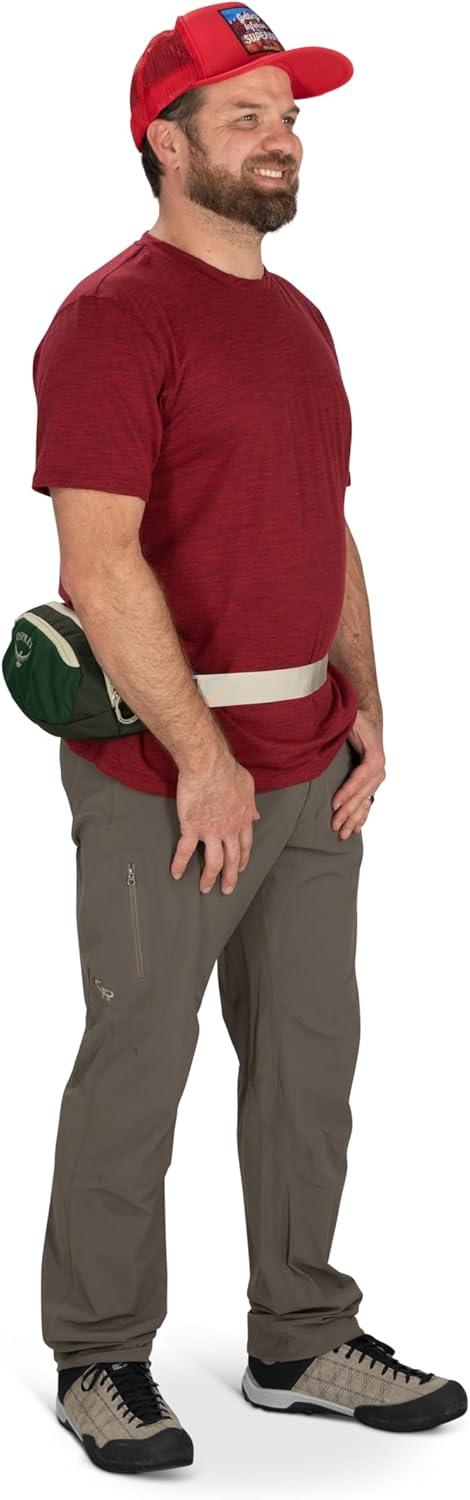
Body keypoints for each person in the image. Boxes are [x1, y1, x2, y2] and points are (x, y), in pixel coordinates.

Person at [30, 4, 466, 1476]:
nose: (282, 141)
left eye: (290, 118)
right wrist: (202, 761)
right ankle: (99, 1356)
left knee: (308, 1065)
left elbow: (321, 521)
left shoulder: (297, 319)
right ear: (165, 143)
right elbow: (99, 563)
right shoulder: (112, 317)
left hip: (310, 758)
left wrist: (367, 700)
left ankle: (298, 1336)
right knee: (139, 1062)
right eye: (246, 116)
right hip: (168, 778)